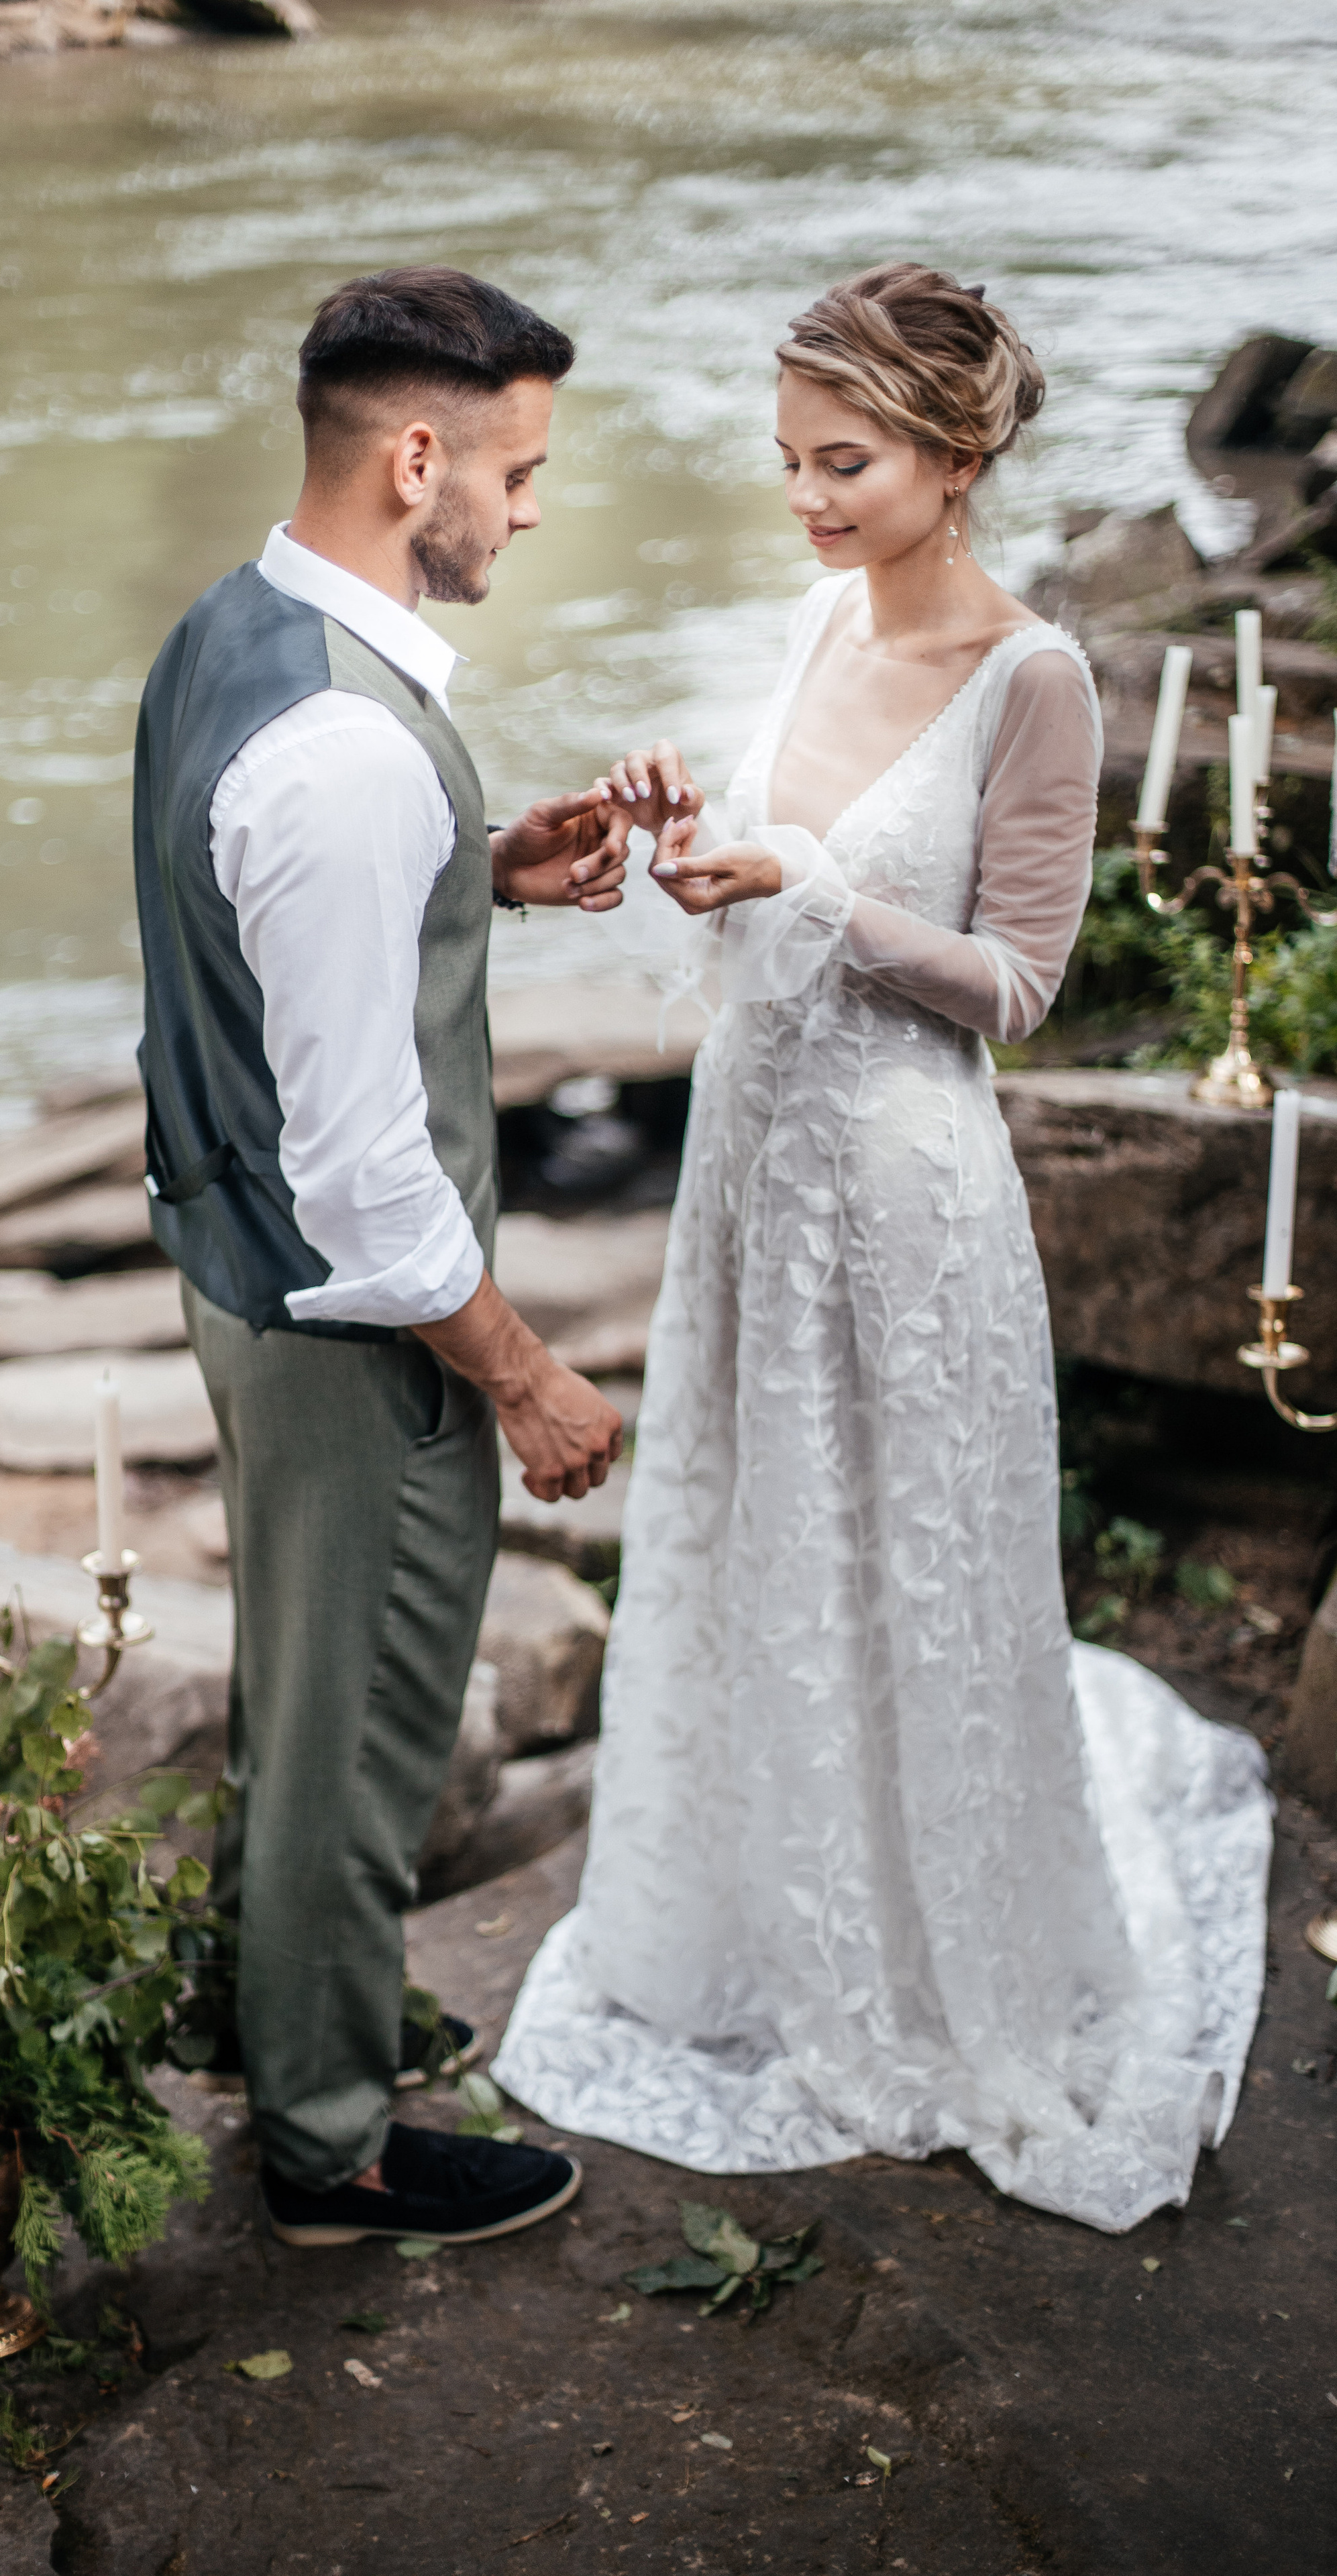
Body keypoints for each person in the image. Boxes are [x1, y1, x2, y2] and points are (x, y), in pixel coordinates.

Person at [494, 264, 1273, 2234]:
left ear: (957, 453)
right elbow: (760, 888)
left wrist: (823, 891)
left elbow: (1015, 987)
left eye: (843, 464)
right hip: (751, 1182)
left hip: (913, 1204)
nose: (807, 500)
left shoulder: (1038, 678)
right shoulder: (811, 615)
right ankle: (753, 1911)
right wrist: (700, 848)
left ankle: (942, 1962)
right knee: (766, 1534)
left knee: (910, 1558)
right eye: (790, 462)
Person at [132, 267, 643, 2249]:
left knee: (306, 1703)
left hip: (237, 1280)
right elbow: (360, 1164)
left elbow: (264, 941)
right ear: (414, 454)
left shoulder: (231, 631)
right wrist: (519, 1372)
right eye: (515, 473)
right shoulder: (343, 755)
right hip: (354, 1339)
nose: (530, 510)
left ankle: (302, 2021)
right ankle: (329, 2148)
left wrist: (481, 870)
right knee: (353, 1748)